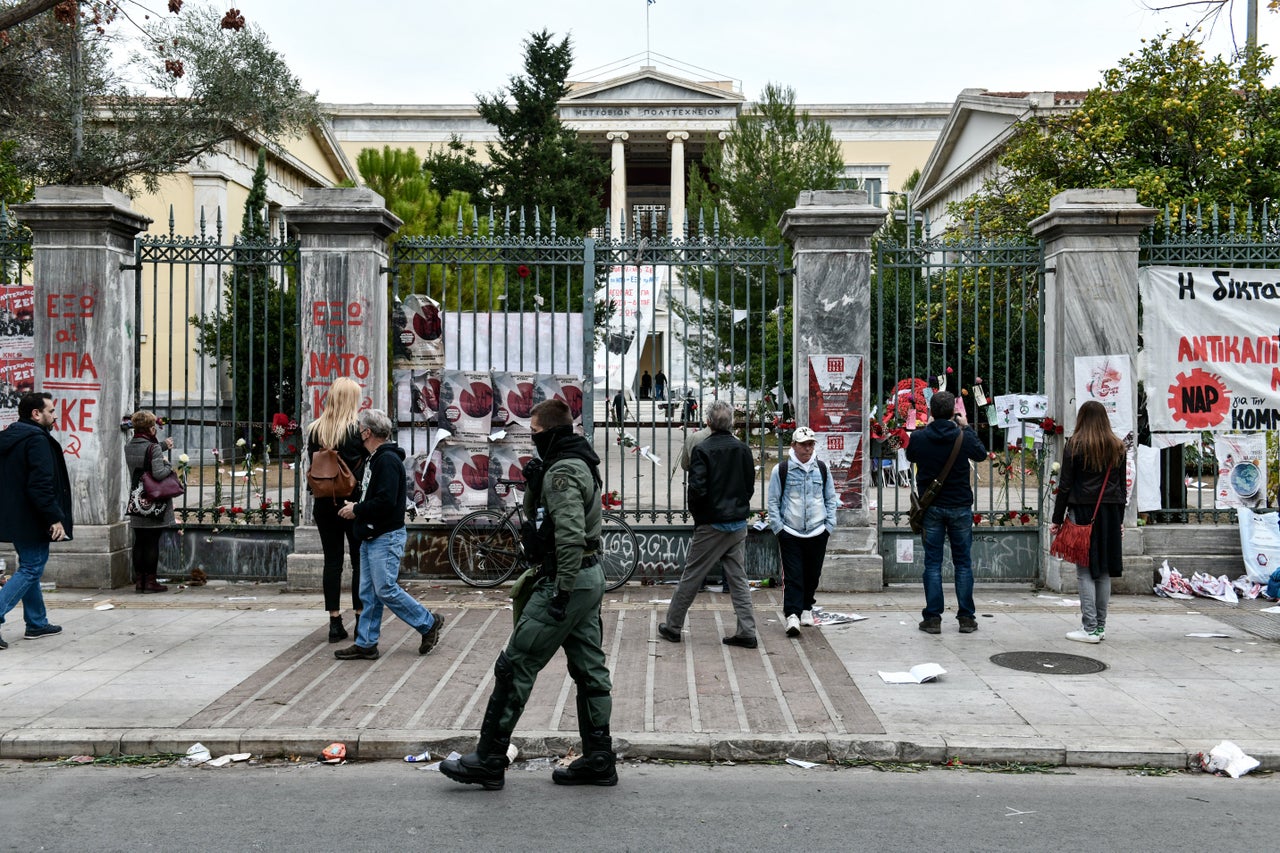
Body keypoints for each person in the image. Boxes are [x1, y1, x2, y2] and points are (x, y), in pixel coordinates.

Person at [440, 398, 614, 790]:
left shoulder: (564, 472)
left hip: (565, 582)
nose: (531, 441)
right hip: (587, 580)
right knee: (589, 671)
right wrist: (535, 487)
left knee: (514, 666)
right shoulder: (576, 461)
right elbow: (546, 525)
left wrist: (560, 594)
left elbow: (567, 536)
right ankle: (600, 758)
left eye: (534, 434)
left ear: (551, 433)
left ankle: (488, 758)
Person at [334, 409, 443, 661]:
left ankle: (428, 622)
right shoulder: (376, 458)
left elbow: (385, 501)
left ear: (368, 432)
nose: (358, 434)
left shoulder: (387, 460)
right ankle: (366, 642)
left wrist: (357, 509)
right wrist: (359, 506)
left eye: (360, 429)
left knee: (384, 589)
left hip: (384, 535)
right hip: (373, 535)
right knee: (369, 593)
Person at [658, 400, 757, 647]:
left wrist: (700, 517)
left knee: (692, 575)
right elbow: (749, 485)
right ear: (731, 423)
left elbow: (697, 490)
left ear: (709, 422)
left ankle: (673, 626)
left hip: (711, 523)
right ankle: (747, 630)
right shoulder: (743, 449)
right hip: (736, 523)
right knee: (738, 578)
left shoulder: (703, 449)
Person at [903, 390, 987, 635]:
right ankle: (966, 618)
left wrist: (927, 427)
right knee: (962, 563)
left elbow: (910, 455)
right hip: (960, 506)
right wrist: (967, 427)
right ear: (953, 412)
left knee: (932, 563)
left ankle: (932, 618)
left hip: (931, 508)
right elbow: (981, 454)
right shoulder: (963, 436)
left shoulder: (920, 437)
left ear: (930, 411)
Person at [0, 392, 73, 650]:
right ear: (36, 414)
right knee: (31, 568)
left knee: (30, 567)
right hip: (32, 517)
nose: (55, 416)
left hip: (15, 516)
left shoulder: (10, 437)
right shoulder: (37, 440)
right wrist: (54, 518)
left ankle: (36, 622)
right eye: (51, 411)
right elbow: (41, 485)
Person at [1051, 400, 1126, 644]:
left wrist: (1056, 519)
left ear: (1082, 418)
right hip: (1111, 513)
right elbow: (1122, 488)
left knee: (1084, 571)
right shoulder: (1117, 446)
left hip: (1082, 511)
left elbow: (1065, 485)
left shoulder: (1075, 444)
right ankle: (1100, 627)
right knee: (1103, 571)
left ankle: (1089, 627)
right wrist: (1121, 520)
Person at [305, 377, 369, 642]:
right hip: (352, 504)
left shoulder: (315, 430)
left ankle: (334, 622)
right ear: (349, 400)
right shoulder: (357, 431)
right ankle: (359, 618)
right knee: (358, 562)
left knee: (332, 562)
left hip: (324, 504)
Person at [766, 426, 838, 637]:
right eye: (803, 444)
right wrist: (779, 529)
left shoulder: (822, 469)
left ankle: (807, 607)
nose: (807, 449)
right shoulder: (782, 470)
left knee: (813, 573)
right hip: (791, 530)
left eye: (811, 444)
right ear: (794, 446)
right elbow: (773, 501)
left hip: (818, 530)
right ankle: (792, 615)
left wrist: (829, 526)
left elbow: (830, 498)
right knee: (793, 575)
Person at [124, 410, 175, 594]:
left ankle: (140, 581)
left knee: (139, 541)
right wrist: (167, 463)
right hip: (154, 500)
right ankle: (151, 582)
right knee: (152, 542)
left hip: (137, 498)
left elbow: (144, 455)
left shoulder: (128, 446)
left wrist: (161, 446)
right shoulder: (153, 448)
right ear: (151, 428)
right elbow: (159, 472)